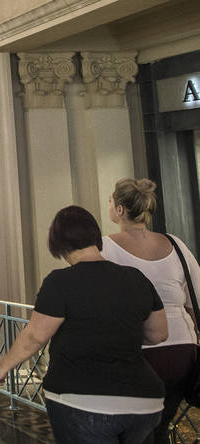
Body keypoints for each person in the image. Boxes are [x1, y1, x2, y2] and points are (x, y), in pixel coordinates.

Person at [0, 206, 168, 444]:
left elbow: (35, 336)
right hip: (144, 402)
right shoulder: (136, 278)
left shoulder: (60, 282)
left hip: (82, 399)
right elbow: (158, 334)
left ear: (58, 243)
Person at [100, 178, 200, 444]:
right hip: (182, 353)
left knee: (134, 433)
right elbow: (195, 301)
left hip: (136, 353)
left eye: (110, 201)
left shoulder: (104, 248)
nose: (109, 206)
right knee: (159, 427)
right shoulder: (176, 244)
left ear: (120, 209)